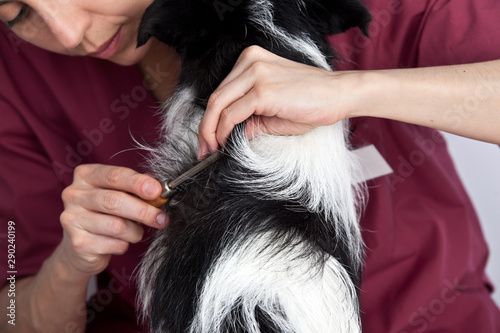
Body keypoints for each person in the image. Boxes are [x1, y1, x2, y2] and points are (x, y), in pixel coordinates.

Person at [0, 1, 499, 333]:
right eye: (17, 11)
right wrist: (70, 266)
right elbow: (11, 313)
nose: (69, 32)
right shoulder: (17, 72)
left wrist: (356, 90)